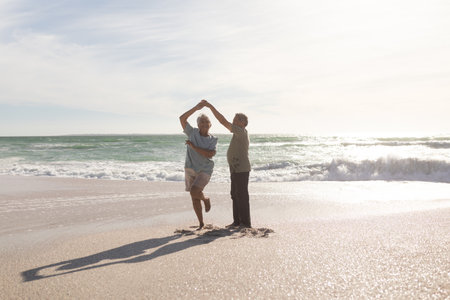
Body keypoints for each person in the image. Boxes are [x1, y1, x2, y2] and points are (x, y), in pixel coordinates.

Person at [203, 100, 252, 228]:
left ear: (243, 123)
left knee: (242, 196)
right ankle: (237, 221)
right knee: (235, 195)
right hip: (235, 168)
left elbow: (222, 121)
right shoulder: (238, 133)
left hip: (241, 169)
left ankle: (246, 223)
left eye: (236, 120)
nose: (233, 122)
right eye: (234, 119)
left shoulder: (241, 131)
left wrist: (210, 106)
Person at [179, 101, 218, 229]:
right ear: (198, 125)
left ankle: (206, 199)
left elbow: (209, 154)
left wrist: (194, 147)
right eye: (202, 122)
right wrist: (196, 108)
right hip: (190, 168)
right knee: (194, 197)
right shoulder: (192, 133)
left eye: (207, 122)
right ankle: (201, 223)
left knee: (195, 191)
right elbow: (182, 118)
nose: (204, 124)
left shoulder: (213, 139)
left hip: (205, 170)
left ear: (210, 125)